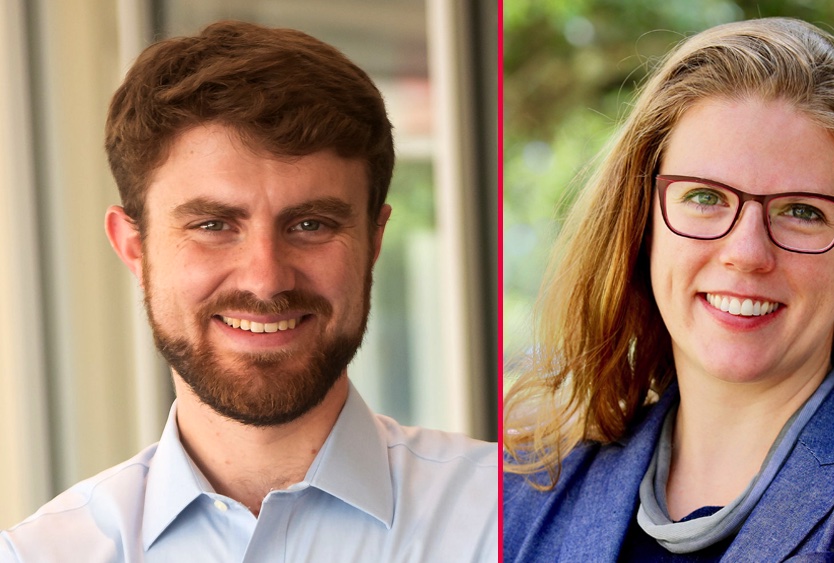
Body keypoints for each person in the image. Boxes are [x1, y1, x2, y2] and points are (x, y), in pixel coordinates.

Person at [503, 17, 834, 562]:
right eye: (704, 197)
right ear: (641, 216)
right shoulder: (530, 490)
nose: (746, 253)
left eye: (802, 211)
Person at [1, 20, 496, 562]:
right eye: (213, 226)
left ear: (374, 239)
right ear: (133, 247)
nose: (266, 280)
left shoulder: (509, 522)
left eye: (310, 225)